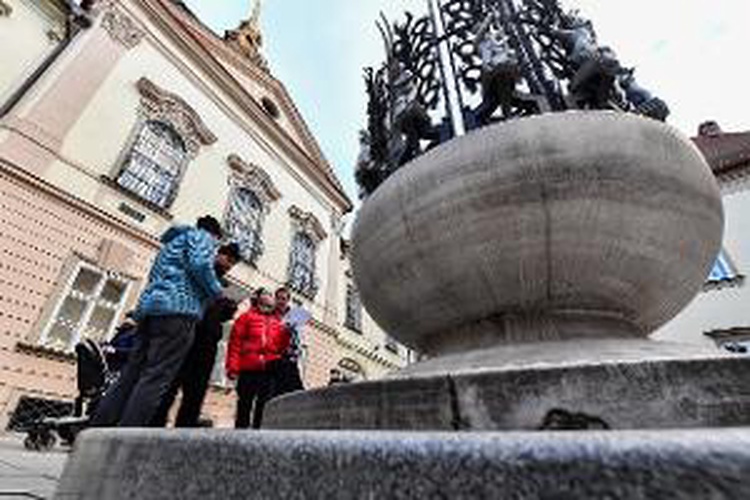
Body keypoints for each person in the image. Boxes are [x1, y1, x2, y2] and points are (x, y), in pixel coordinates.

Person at [91, 215, 225, 427]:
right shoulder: (202, 237)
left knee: (131, 374)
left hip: (151, 310)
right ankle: (127, 436)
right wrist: (216, 291)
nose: (216, 247)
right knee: (156, 377)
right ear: (215, 235)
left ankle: (98, 428)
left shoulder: (172, 243)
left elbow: (155, 275)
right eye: (218, 242)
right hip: (179, 311)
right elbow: (200, 265)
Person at [151, 243, 241, 428]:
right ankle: (156, 423)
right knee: (171, 384)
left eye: (232, 262)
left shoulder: (225, 285)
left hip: (208, 341)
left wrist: (229, 309)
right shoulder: (201, 274)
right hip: (188, 335)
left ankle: (185, 427)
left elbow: (221, 316)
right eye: (227, 259)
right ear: (218, 254)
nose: (228, 265)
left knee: (196, 390)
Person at [226, 288, 290, 429]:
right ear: (258, 300)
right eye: (265, 296)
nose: (267, 305)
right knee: (244, 404)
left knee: (263, 404)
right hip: (248, 368)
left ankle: (257, 435)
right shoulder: (246, 317)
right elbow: (235, 344)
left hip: (268, 369)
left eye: (269, 302)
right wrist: (232, 367)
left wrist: (287, 332)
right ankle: (240, 435)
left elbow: (280, 348)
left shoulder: (277, 322)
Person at [272, 286, 305, 396]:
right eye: (279, 298)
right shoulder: (270, 315)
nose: (281, 301)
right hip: (272, 359)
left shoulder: (294, 316)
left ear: (288, 300)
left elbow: (298, 338)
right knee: (273, 392)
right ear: (275, 299)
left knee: (295, 392)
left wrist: (296, 354)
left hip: (288, 359)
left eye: (284, 299)